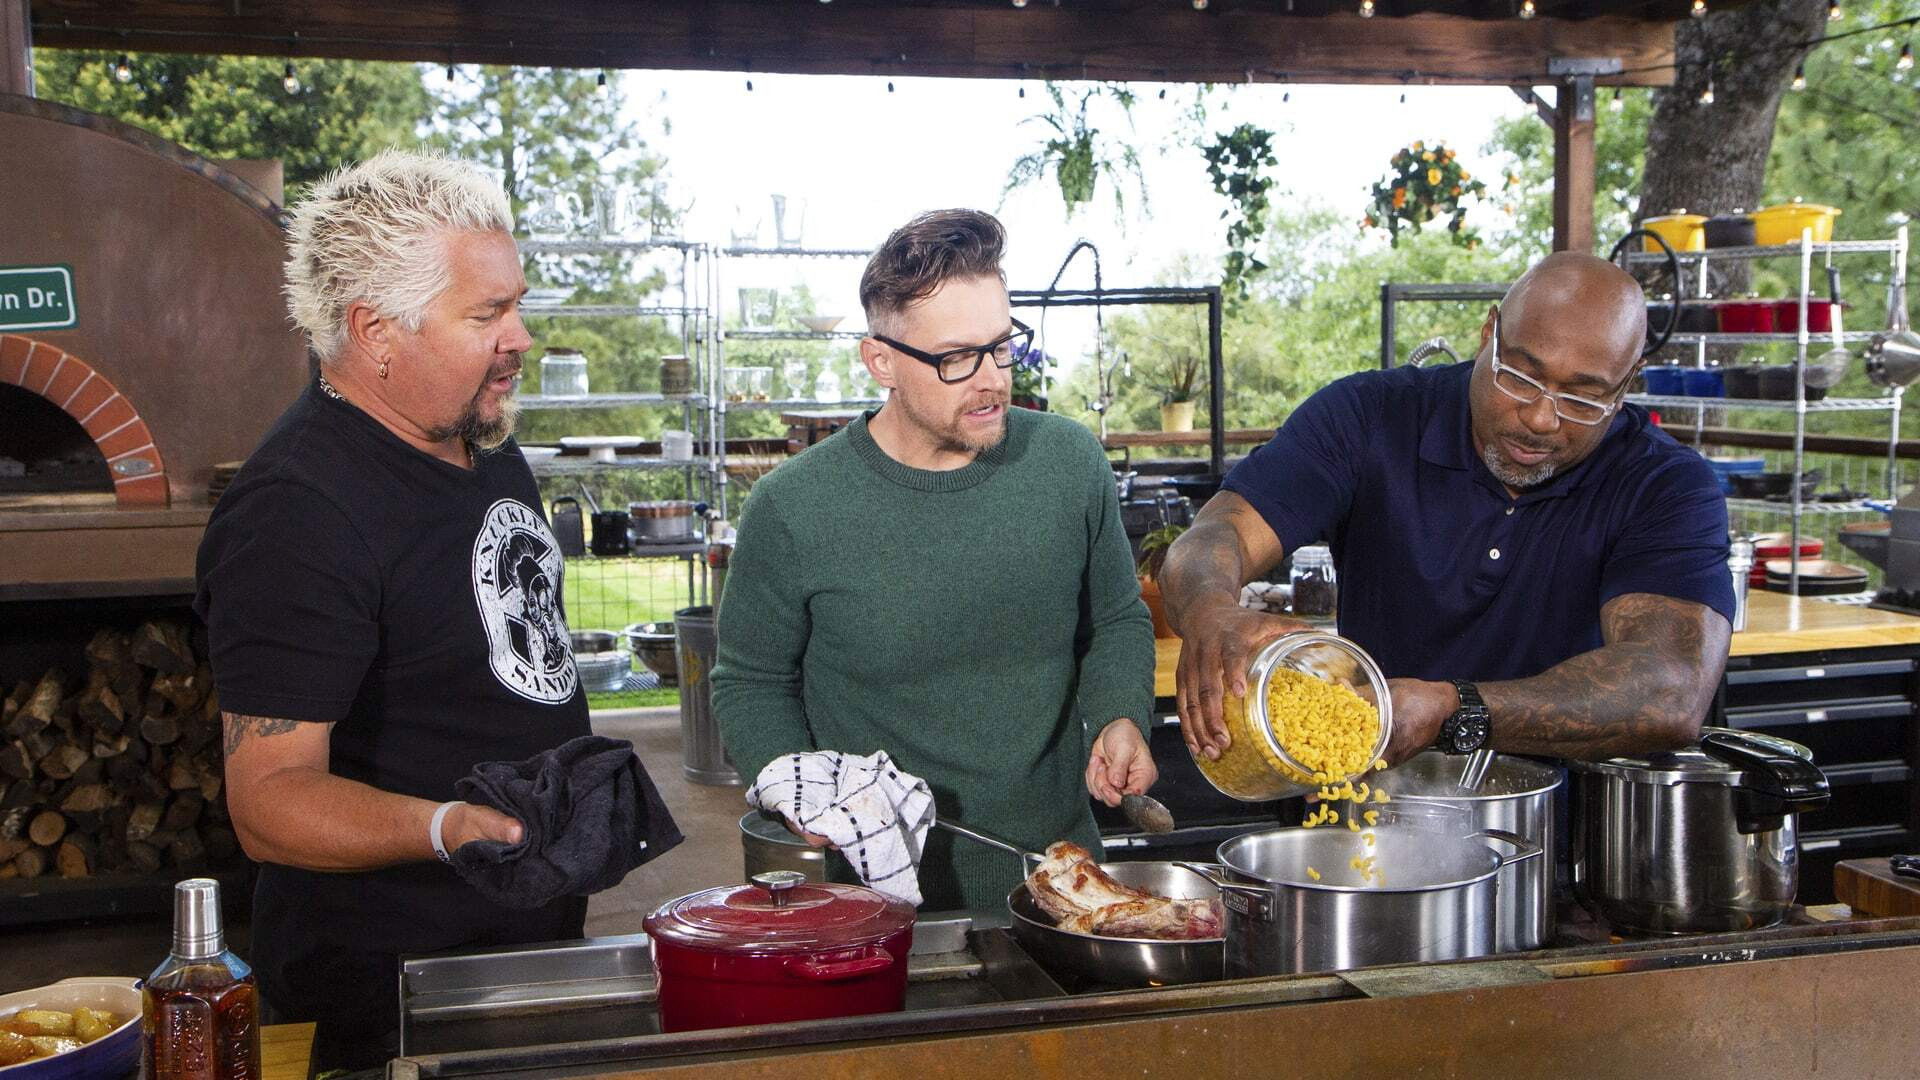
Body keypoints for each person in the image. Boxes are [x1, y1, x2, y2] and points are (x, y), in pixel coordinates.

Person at [195, 150, 590, 1069]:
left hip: (522, 947)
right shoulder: (297, 510)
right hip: (382, 994)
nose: (522, 337)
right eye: (487, 314)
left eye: (516, 304)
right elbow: (270, 802)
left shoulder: (482, 437)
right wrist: (451, 828)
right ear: (375, 330)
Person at [712, 208, 1157, 911]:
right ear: (880, 362)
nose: (992, 380)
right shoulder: (792, 506)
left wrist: (1119, 715)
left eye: (1001, 347)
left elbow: (1116, 621)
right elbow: (749, 683)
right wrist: (799, 789)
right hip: (872, 900)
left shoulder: (1070, 462)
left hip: (1062, 881)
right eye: (956, 358)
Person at [1164, 252, 1734, 769]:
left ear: (1626, 385)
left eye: (1583, 398)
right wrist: (1211, 610)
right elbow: (1218, 535)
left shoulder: (1665, 485)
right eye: (1520, 376)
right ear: (1489, 334)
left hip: (1573, 826)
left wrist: (1453, 709)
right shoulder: (1369, 416)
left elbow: (1670, 691)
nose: (1541, 419)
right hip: (1371, 799)